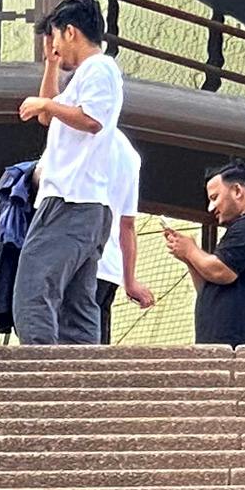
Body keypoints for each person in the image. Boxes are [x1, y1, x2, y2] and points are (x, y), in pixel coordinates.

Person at [11, 0, 129, 345]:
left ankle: (40, 376)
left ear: (71, 32)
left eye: (57, 37)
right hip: (87, 204)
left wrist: (46, 102)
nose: (56, 46)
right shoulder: (85, 75)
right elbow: (47, 117)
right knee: (78, 304)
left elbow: (91, 118)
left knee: (33, 290)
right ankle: (81, 379)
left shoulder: (99, 68)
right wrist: (50, 65)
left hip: (71, 199)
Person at [161, 161, 245, 347]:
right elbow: (208, 284)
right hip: (221, 342)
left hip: (242, 342)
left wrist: (191, 250)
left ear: (237, 191)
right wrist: (188, 258)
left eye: (215, 197)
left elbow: (221, 272)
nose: (210, 208)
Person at [91, 133, 157, 344]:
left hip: (80, 258)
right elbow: (127, 224)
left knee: (74, 331)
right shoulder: (129, 155)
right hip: (109, 265)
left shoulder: (79, 137)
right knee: (97, 333)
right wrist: (129, 281)